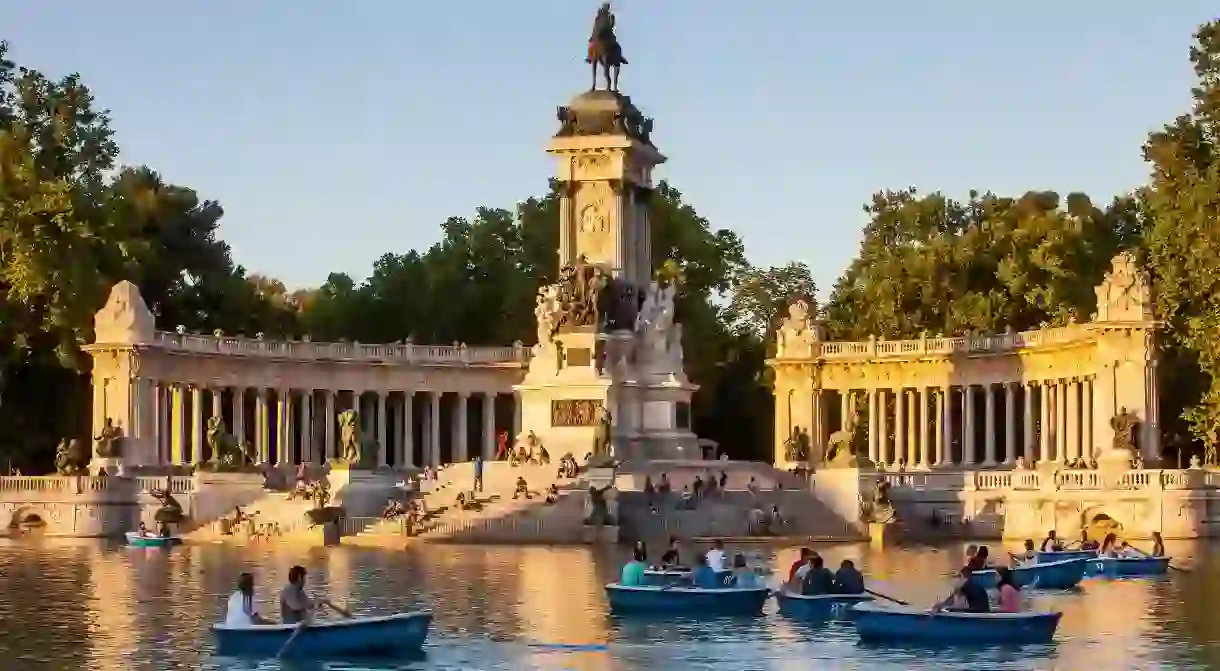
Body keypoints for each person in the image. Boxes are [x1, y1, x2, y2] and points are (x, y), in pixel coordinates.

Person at [280, 565, 350, 625]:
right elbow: (295, 606)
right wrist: (315, 602)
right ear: (299, 578)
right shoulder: (289, 589)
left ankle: (346, 615)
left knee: (324, 603)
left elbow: (308, 603)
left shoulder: (299, 591)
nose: (305, 581)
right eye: (304, 578)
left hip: (301, 625)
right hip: (291, 627)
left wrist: (321, 601)